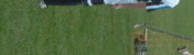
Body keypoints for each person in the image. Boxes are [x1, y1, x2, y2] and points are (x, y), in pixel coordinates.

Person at [39, 0, 179, 11]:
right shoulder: (172, 2)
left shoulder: (172, 2)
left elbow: (144, 5)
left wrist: (122, 5)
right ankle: (47, 1)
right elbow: (144, 6)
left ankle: (47, 1)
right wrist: (122, 6)